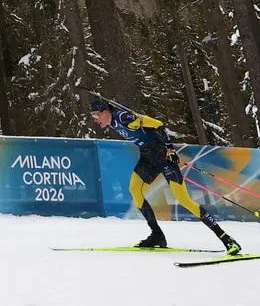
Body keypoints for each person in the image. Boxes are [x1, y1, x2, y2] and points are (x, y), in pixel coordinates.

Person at [88, 98, 240, 253]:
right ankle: (157, 235)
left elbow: (158, 124)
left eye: (96, 115)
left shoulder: (122, 117)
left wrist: (170, 149)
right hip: (148, 157)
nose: (95, 119)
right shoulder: (113, 122)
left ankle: (226, 239)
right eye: (93, 116)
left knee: (184, 200)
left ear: (105, 112)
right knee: (134, 189)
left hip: (164, 157)